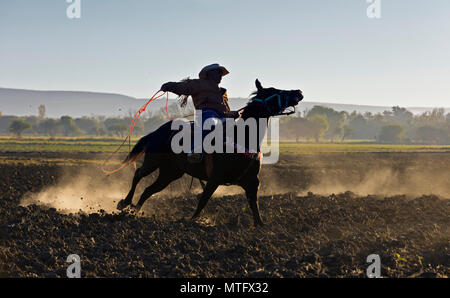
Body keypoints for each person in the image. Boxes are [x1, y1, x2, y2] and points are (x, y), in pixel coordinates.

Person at [161, 64, 239, 166]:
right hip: (205, 114)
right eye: (217, 72)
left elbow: (225, 109)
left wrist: (231, 114)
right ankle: (195, 150)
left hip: (221, 116)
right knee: (210, 123)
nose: (220, 75)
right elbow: (184, 87)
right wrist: (169, 86)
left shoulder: (222, 91)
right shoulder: (199, 84)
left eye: (220, 73)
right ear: (209, 74)